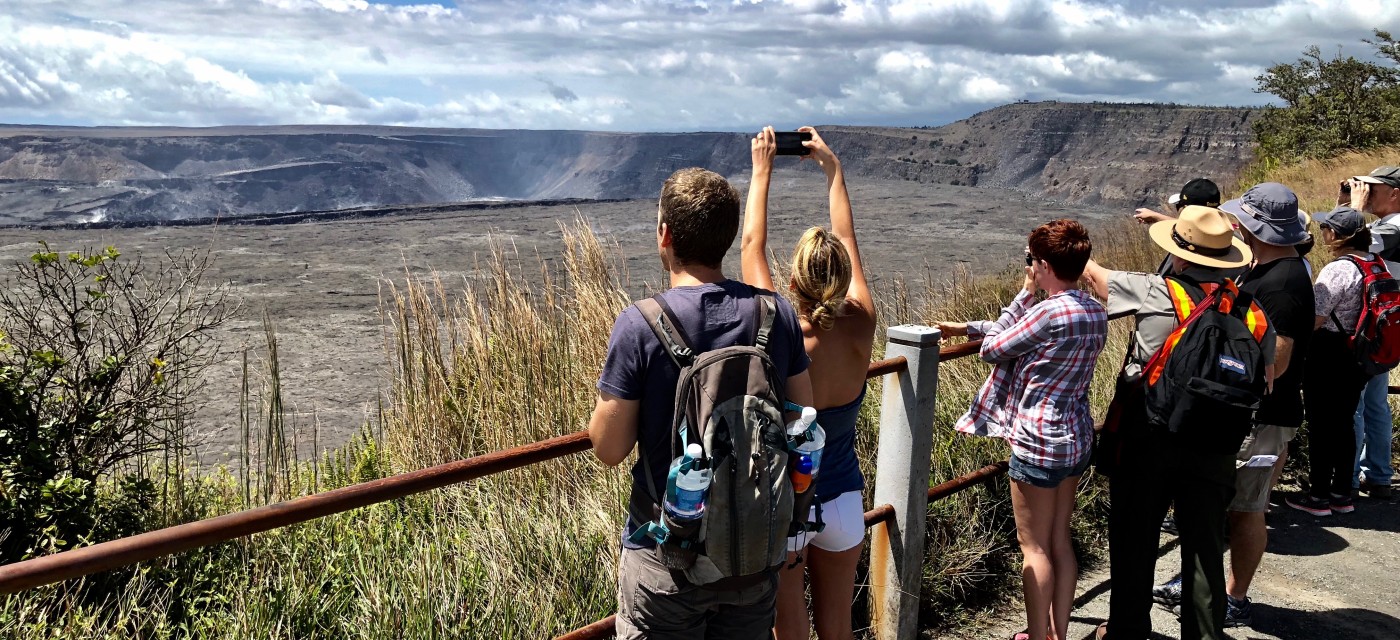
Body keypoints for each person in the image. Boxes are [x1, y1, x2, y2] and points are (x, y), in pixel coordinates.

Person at [588, 167, 815, 639]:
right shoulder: (777, 315)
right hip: (753, 554)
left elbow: (608, 449)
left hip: (667, 560)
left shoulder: (639, 324)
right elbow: (802, 416)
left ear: (664, 234)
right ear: (728, 237)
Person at [1080, 205, 1275, 640]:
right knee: (1205, 547)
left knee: (1134, 538)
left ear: (1180, 255)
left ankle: (1127, 631)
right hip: (1216, 446)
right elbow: (1267, 380)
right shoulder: (1254, 312)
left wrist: (1077, 250)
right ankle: (1204, 634)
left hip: (1149, 437)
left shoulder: (1153, 291)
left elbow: (1094, 277)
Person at [1153, 182, 1314, 628]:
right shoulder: (1275, 269)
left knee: (1247, 507)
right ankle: (1203, 585)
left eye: (1241, 219)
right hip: (1255, 414)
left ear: (1256, 227)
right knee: (1228, 503)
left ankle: (1234, 597)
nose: (1234, 224)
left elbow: (1275, 365)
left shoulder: (1280, 285)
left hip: (1264, 416)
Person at [937, 220, 1107, 640]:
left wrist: (1025, 291)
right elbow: (1021, 333)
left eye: (1032, 261)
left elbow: (995, 348)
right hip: (1076, 437)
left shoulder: (1047, 309)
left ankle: (1036, 635)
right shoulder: (1093, 310)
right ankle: (1058, 633)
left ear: (1044, 264)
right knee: (1060, 541)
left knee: (1034, 548)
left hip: (1037, 441)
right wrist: (972, 326)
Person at [741, 126, 876, 640]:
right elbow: (846, 238)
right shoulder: (862, 321)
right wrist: (832, 168)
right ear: (842, 280)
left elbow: (752, 244)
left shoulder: (780, 332)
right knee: (839, 628)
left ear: (792, 281)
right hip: (844, 499)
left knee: (790, 626)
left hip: (791, 503)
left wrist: (762, 168)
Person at [1287, 206, 1376, 517]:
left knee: (1322, 424)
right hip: (1359, 352)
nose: (1322, 231)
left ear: (1336, 235)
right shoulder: (1373, 264)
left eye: (1326, 227)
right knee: (1344, 422)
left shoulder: (1337, 270)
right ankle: (1342, 493)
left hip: (1328, 352)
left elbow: (1316, 317)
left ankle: (1318, 496)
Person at [1345, 166, 1400, 500]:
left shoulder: (1396, 227)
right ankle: (1378, 474)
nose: (1365, 192)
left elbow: (1350, 244)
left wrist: (1352, 210)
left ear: (1395, 193)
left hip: (1372, 329)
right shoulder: (1387, 224)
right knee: (1376, 402)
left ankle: (1347, 478)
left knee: (1355, 402)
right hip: (1383, 326)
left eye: (1372, 188)